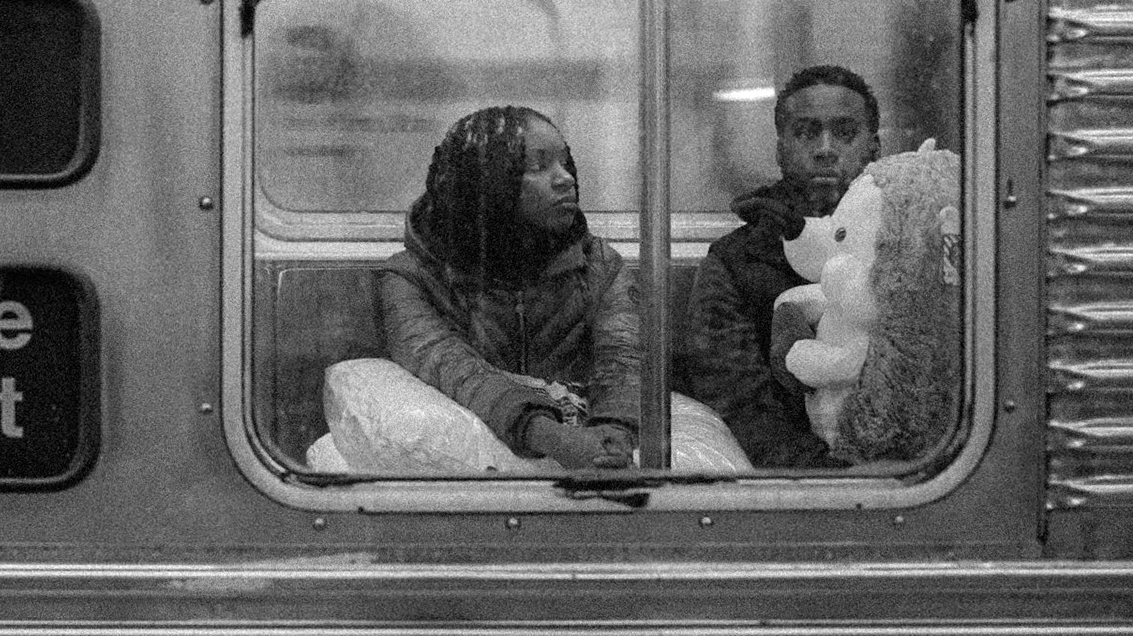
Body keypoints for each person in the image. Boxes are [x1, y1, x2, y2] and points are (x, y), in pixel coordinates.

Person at [377, 105, 638, 470]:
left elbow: (623, 359)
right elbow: (454, 369)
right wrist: (553, 437)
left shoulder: (600, 266)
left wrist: (613, 431)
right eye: (537, 166)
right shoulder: (414, 277)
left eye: (565, 163)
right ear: (487, 183)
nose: (565, 179)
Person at [684, 64, 882, 468]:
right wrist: (828, 477)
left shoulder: (904, 250)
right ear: (780, 149)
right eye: (806, 132)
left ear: (874, 150)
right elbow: (740, 400)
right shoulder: (736, 260)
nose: (825, 149)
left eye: (845, 133)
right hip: (793, 476)